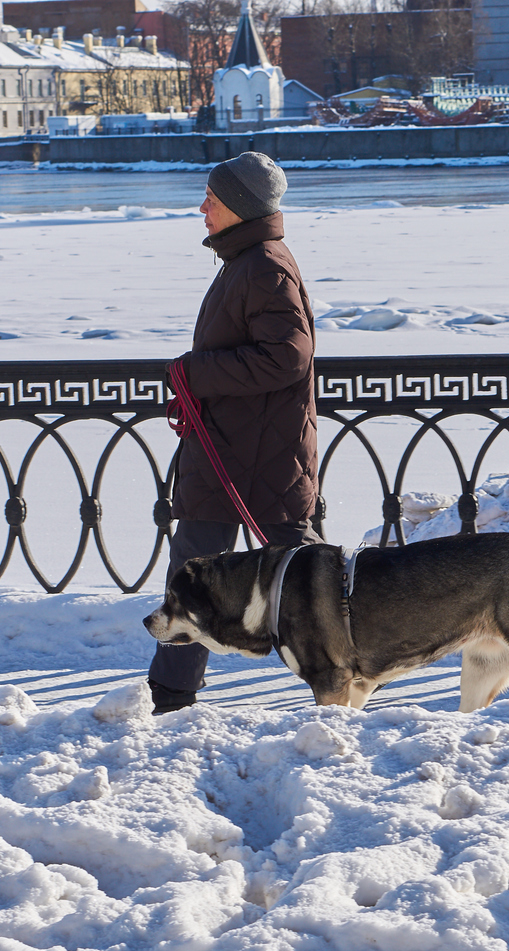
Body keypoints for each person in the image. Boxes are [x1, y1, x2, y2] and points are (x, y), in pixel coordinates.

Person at [148, 151, 321, 714]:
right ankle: (171, 694)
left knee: (303, 578)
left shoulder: (264, 267)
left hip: (257, 459)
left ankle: (350, 674)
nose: (201, 208)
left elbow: (288, 358)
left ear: (241, 207)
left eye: (212, 200)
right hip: (237, 453)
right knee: (205, 573)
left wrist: (194, 372)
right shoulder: (247, 261)